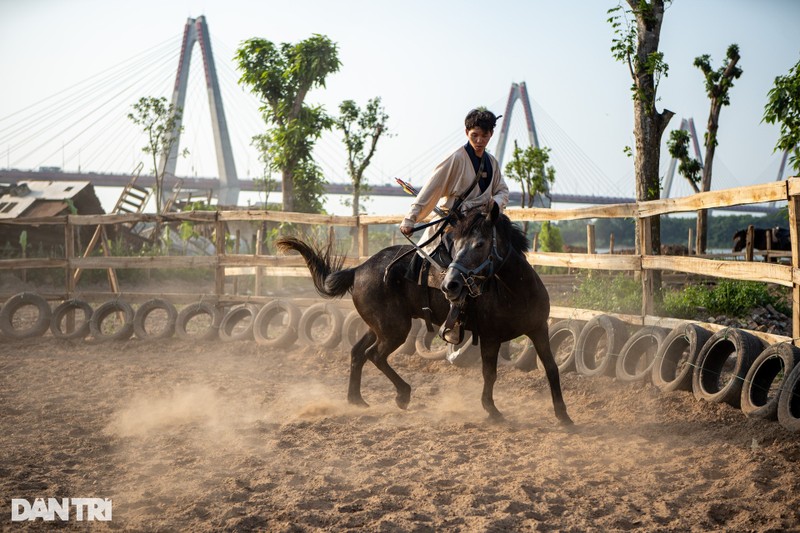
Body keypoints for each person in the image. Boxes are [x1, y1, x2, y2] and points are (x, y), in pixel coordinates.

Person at [400, 108, 509, 268]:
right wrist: (410, 218)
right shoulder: (456, 158)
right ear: (466, 132)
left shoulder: (491, 162)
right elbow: (431, 189)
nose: (479, 140)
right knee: (452, 272)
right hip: (453, 226)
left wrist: (494, 205)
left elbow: (502, 191)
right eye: (475, 135)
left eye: (484, 136)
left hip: (480, 226)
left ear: (491, 134)